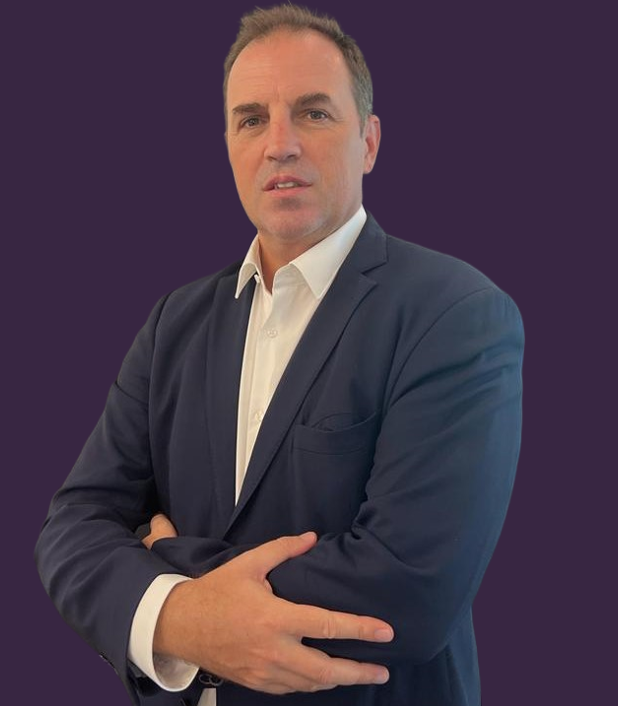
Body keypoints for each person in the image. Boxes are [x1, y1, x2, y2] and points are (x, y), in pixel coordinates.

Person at [35, 5, 524, 706]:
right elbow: (73, 525)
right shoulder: (174, 323)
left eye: (314, 113)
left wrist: (167, 570)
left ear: (369, 142)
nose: (280, 145)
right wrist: (183, 618)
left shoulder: (455, 315)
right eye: (251, 120)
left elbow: (410, 589)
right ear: (229, 144)